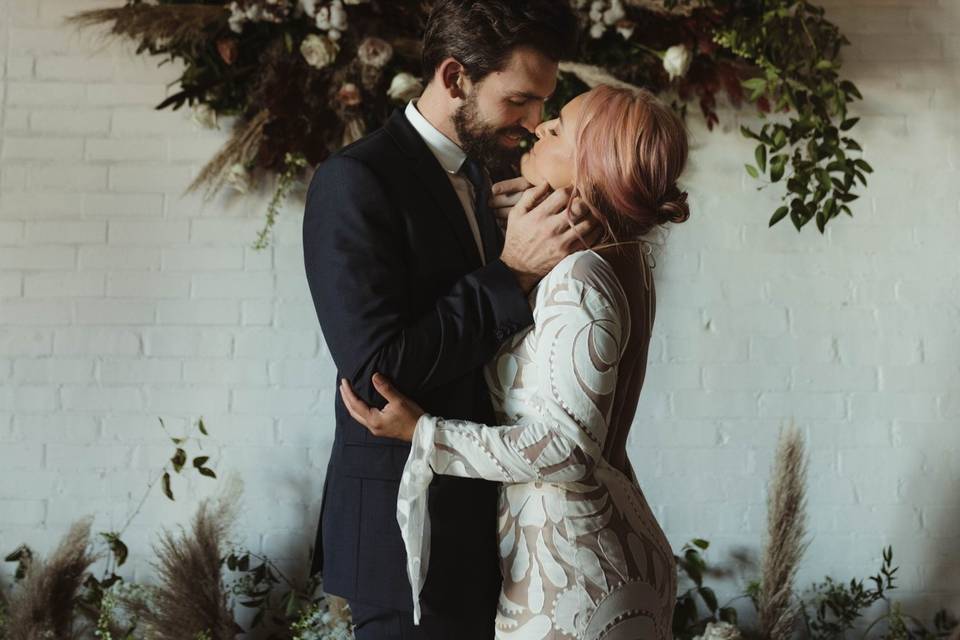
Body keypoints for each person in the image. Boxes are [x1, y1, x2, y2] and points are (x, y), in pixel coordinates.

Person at [340, 85, 691, 639]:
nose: (539, 127)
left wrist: (425, 434)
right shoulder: (617, 259)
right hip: (581, 553)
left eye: (559, 129)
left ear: (593, 167)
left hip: (573, 574)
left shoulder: (581, 278)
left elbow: (568, 450)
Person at [301, 1, 585, 637]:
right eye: (519, 100)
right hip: (402, 528)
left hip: (481, 510)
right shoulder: (354, 181)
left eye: (544, 102)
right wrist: (509, 273)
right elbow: (377, 372)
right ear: (455, 78)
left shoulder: (480, 177)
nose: (535, 122)